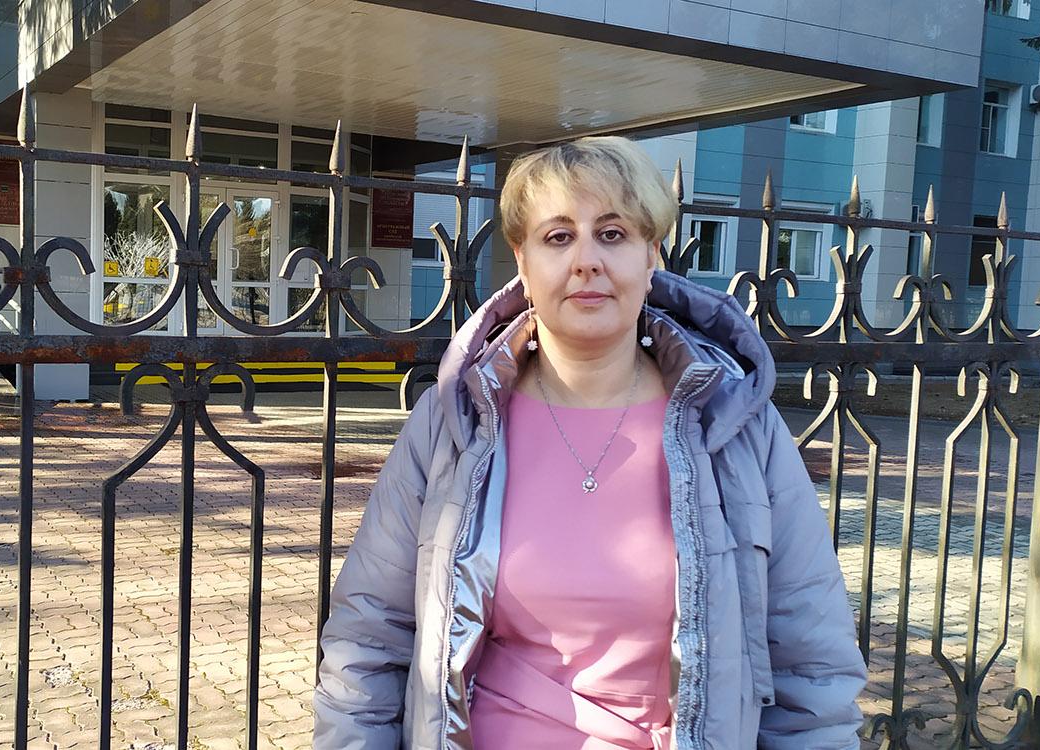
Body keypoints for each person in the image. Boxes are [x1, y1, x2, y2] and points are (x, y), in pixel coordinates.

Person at [312, 136, 866, 749]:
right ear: (522, 262)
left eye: (612, 233)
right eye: (557, 236)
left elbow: (811, 665)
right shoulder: (455, 422)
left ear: (651, 255)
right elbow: (368, 640)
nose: (586, 261)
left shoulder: (734, 425)